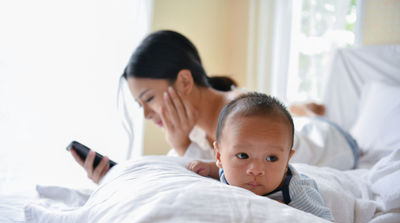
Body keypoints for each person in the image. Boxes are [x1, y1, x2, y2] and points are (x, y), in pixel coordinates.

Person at [69, 30, 359, 184]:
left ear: (184, 81)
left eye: (148, 99)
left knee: (298, 123)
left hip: (335, 140)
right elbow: (184, 177)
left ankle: (303, 111)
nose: (146, 114)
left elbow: (244, 176)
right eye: (139, 105)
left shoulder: (238, 110)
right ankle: (300, 108)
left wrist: (181, 146)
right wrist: (117, 180)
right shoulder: (191, 131)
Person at [186, 92, 334, 221]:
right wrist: (206, 167)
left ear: (287, 160)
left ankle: (308, 112)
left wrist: (292, 213)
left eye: (271, 158)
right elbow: (219, 170)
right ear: (219, 156)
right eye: (243, 156)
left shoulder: (296, 191)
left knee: (318, 125)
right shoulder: (231, 169)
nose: (256, 170)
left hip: (333, 136)